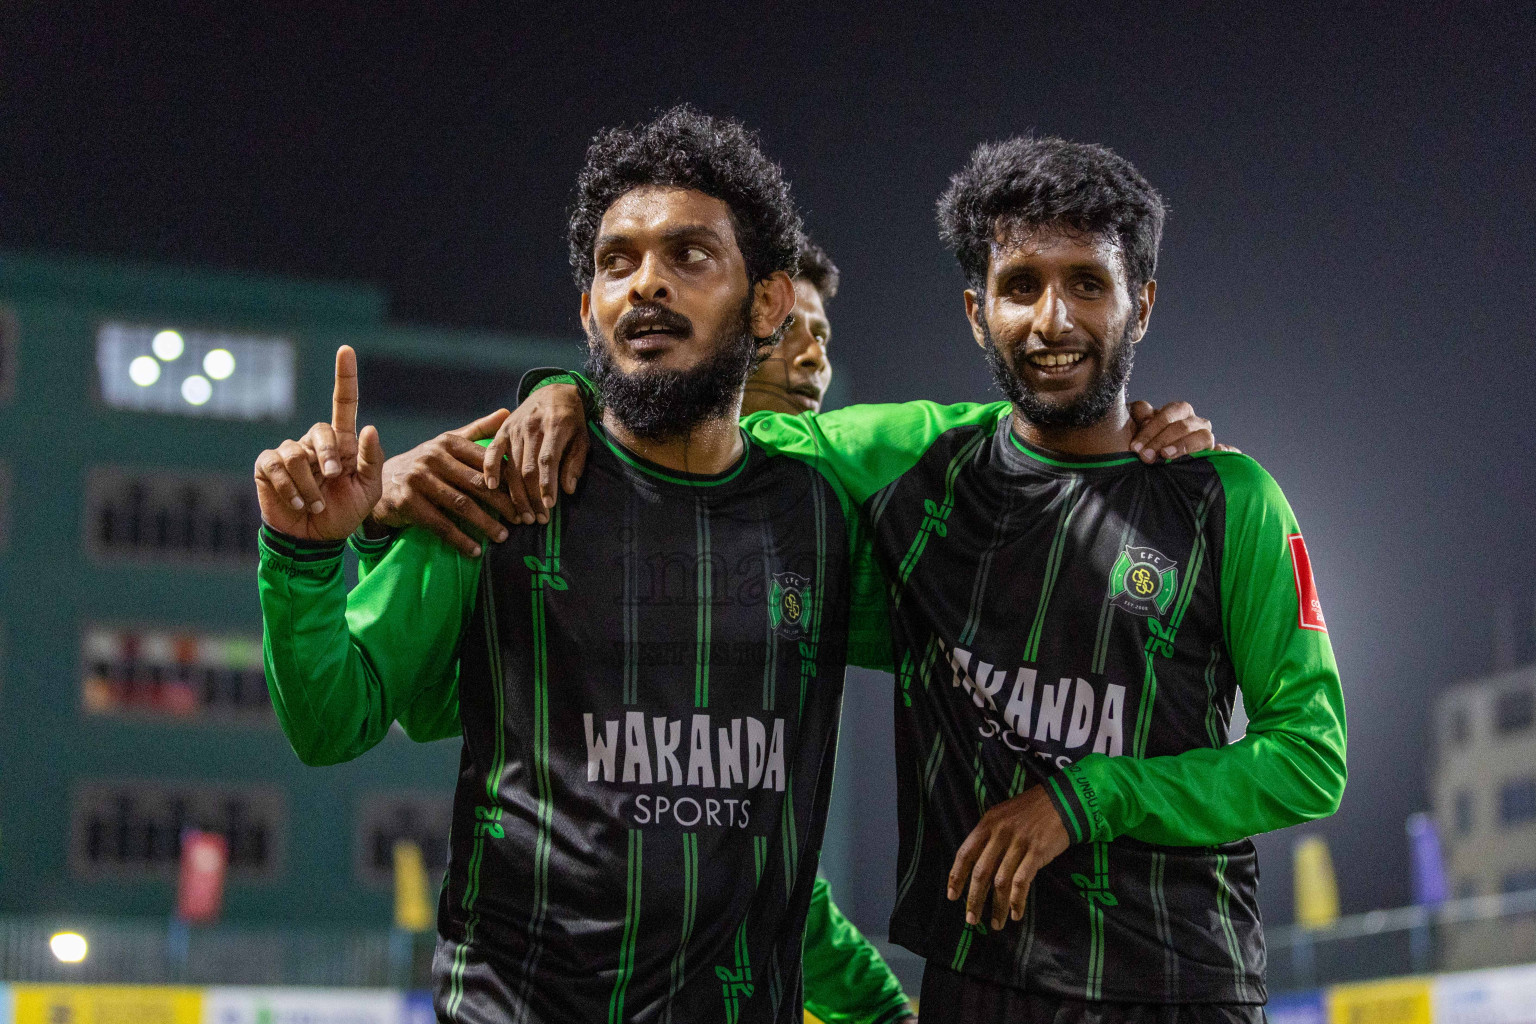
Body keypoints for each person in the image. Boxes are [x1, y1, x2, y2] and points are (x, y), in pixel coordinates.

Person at [478, 135, 1347, 1021]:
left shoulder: (1230, 499)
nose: (1053, 320)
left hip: (1179, 987)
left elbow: (1311, 759)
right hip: (974, 986)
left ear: (1143, 304)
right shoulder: (917, 464)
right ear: (977, 312)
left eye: (1088, 282)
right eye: (1021, 286)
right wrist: (568, 394)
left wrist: (1088, 798)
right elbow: (690, 435)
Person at [254, 105, 924, 1024]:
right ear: (588, 306)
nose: (646, 284)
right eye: (619, 262)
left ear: (766, 303)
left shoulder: (817, 515)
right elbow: (331, 719)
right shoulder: (501, 488)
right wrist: (303, 556)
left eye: (690, 257)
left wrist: (1136, 452)